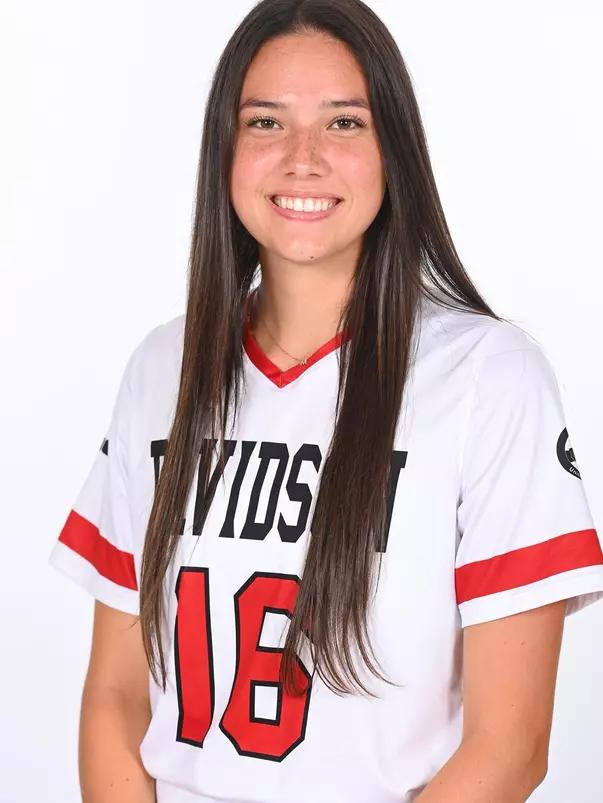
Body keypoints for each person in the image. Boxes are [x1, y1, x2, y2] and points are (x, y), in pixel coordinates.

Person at [48, 1, 603, 801]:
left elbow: (510, 745)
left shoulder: (489, 377)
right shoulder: (161, 368)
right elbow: (115, 694)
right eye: (265, 122)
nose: (302, 158)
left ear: (393, 151)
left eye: (344, 123)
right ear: (224, 151)